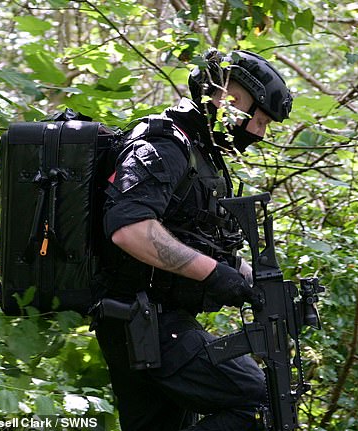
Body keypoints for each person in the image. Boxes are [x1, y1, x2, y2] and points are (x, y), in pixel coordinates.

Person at [93, 49, 293, 431]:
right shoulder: (163, 145)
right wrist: (216, 274)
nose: (258, 133)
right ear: (226, 97)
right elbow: (130, 228)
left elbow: (197, 240)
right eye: (260, 119)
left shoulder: (199, 154)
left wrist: (257, 283)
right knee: (259, 401)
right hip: (142, 320)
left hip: (159, 320)